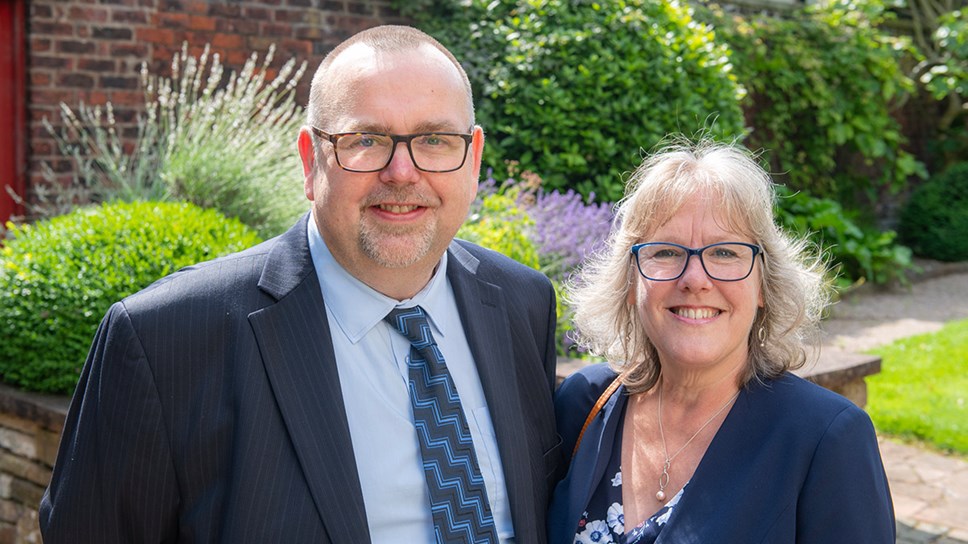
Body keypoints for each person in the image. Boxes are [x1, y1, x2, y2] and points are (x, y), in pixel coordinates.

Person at [40, 25, 563, 544]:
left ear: (472, 159)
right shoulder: (162, 340)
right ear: (311, 161)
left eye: (434, 139)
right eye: (366, 140)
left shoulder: (523, 302)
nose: (403, 172)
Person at [547, 138, 895, 543]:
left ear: (763, 285)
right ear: (630, 280)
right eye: (666, 252)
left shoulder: (825, 438)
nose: (695, 280)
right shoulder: (585, 404)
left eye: (725, 253)